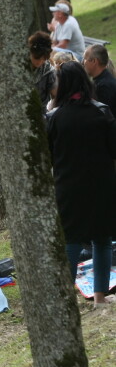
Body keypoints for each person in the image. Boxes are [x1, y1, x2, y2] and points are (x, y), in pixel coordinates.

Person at [47, 61, 116, 307]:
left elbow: (48, 154)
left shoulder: (54, 117)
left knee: (71, 241)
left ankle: (66, 300)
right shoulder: (101, 112)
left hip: (68, 187)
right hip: (101, 185)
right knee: (102, 240)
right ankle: (100, 297)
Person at [83, 44, 116, 116]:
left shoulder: (105, 86)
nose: (83, 62)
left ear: (94, 61)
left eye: (85, 59)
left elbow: (102, 116)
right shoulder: (101, 80)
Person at [27, 31, 56, 108]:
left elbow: (56, 95)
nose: (40, 62)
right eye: (36, 58)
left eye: (43, 59)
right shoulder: (19, 68)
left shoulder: (48, 71)